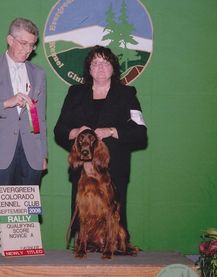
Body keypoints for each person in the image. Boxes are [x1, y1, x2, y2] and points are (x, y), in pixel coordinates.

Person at [54, 45, 147, 241]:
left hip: (114, 168)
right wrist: (76, 132)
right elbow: (59, 130)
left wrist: (112, 131)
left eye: (106, 62)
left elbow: (140, 133)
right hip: (83, 170)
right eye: (95, 63)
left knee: (114, 218)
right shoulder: (75, 93)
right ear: (89, 69)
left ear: (114, 68)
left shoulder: (127, 94)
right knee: (84, 220)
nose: (101, 67)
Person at [0, 18, 47, 246]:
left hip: (31, 154)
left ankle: (21, 266)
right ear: (9, 40)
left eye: (32, 45)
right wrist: (7, 102)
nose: (27, 50)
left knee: (25, 219)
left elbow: (41, 116)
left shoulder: (39, 74)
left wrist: (43, 154)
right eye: (22, 43)